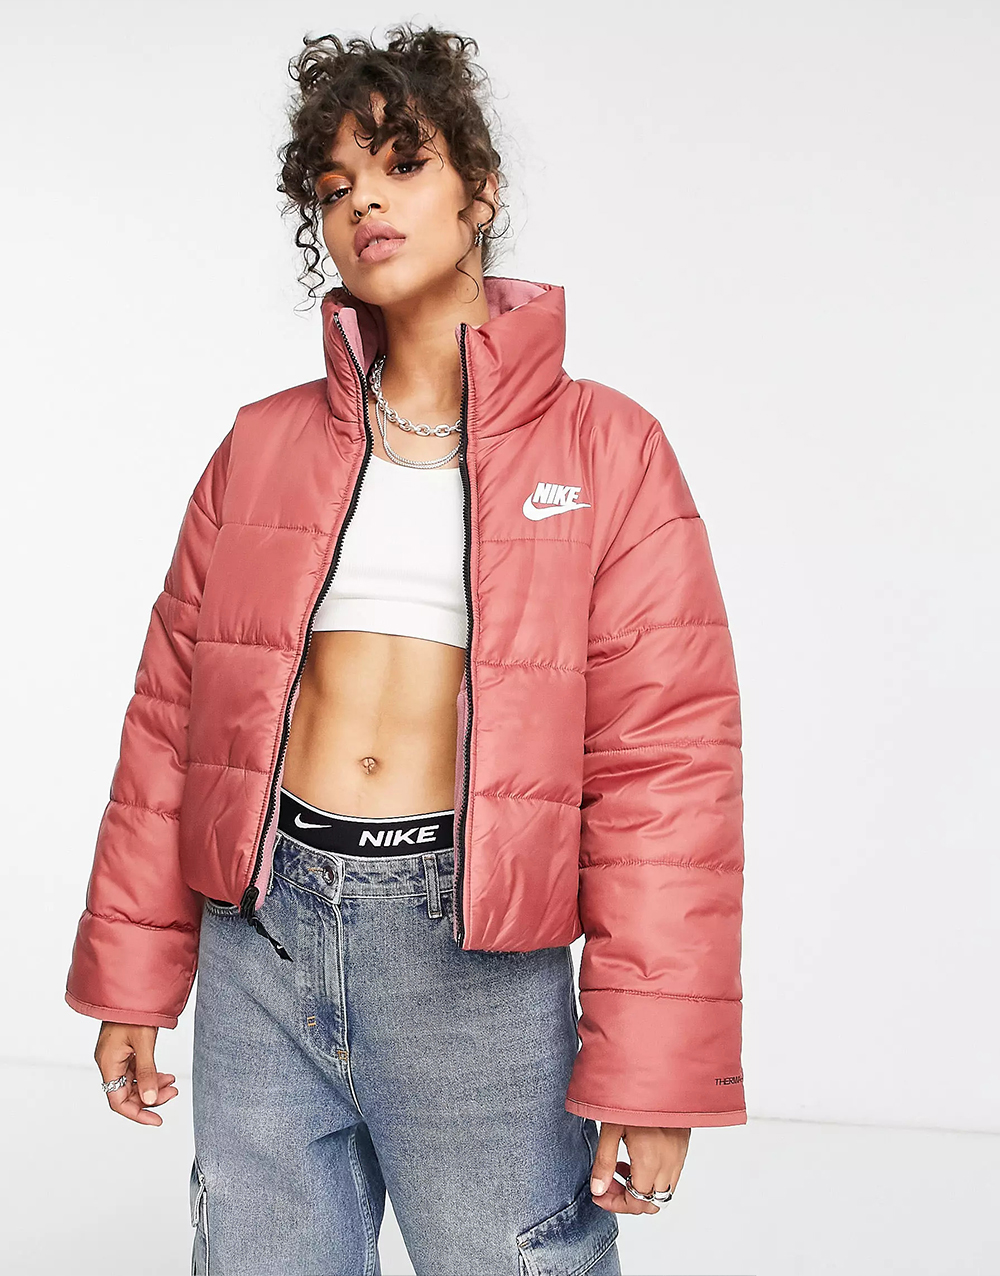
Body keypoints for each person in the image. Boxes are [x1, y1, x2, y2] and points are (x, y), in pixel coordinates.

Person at [64, 22, 746, 1276]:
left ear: (479, 190)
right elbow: (171, 724)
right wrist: (131, 977)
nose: (364, 201)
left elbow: (667, 775)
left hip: (471, 959)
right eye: (334, 187)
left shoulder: (609, 449)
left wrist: (652, 1072)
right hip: (262, 935)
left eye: (402, 163)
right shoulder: (260, 445)